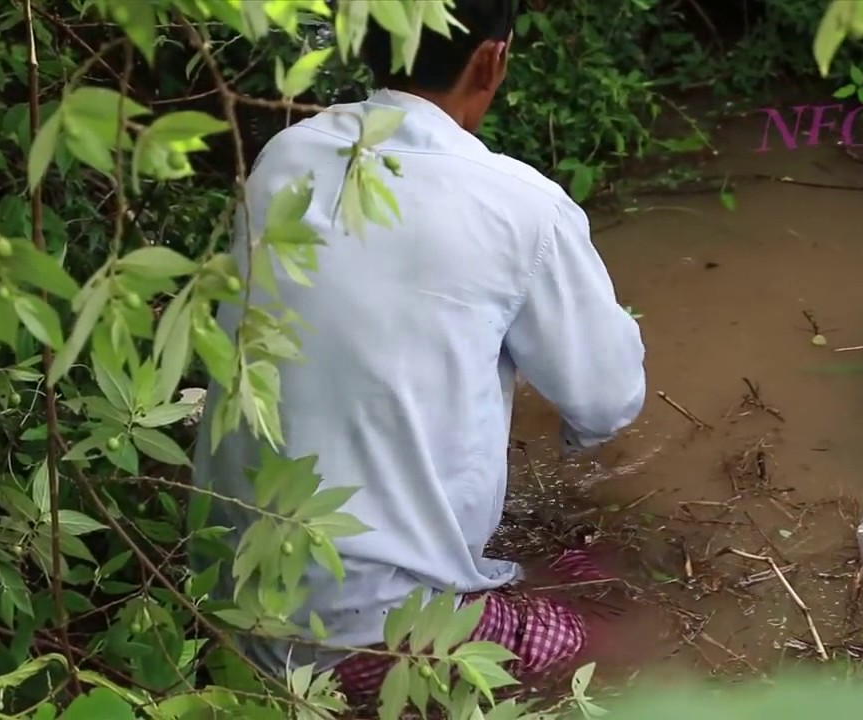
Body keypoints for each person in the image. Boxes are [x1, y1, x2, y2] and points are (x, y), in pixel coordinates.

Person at [191, 0, 646, 698]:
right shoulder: (522, 206)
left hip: (230, 598)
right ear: (491, 60)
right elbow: (607, 400)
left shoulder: (286, 156)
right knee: (599, 625)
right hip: (365, 638)